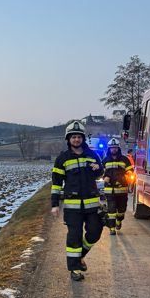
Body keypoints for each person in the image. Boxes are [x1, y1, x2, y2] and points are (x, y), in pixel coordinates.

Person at [51, 120, 104, 281]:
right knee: (74, 236)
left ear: (82, 138)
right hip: (72, 206)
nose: (76, 140)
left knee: (95, 232)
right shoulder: (62, 159)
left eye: (78, 137)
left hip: (92, 205)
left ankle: (80, 256)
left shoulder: (92, 155)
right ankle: (74, 269)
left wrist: (99, 169)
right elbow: (56, 184)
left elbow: (100, 173)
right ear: (68, 139)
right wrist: (54, 205)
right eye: (73, 137)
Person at [102, 137, 133, 235]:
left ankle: (119, 221)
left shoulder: (125, 159)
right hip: (109, 190)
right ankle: (111, 228)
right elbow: (101, 172)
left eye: (115, 147)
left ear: (118, 148)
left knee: (121, 210)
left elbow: (130, 171)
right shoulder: (105, 160)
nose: (113, 149)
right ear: (109, 149)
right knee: (111, 210)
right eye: (111, 148)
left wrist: (128, 177)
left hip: (122, 190)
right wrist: (104, 177)